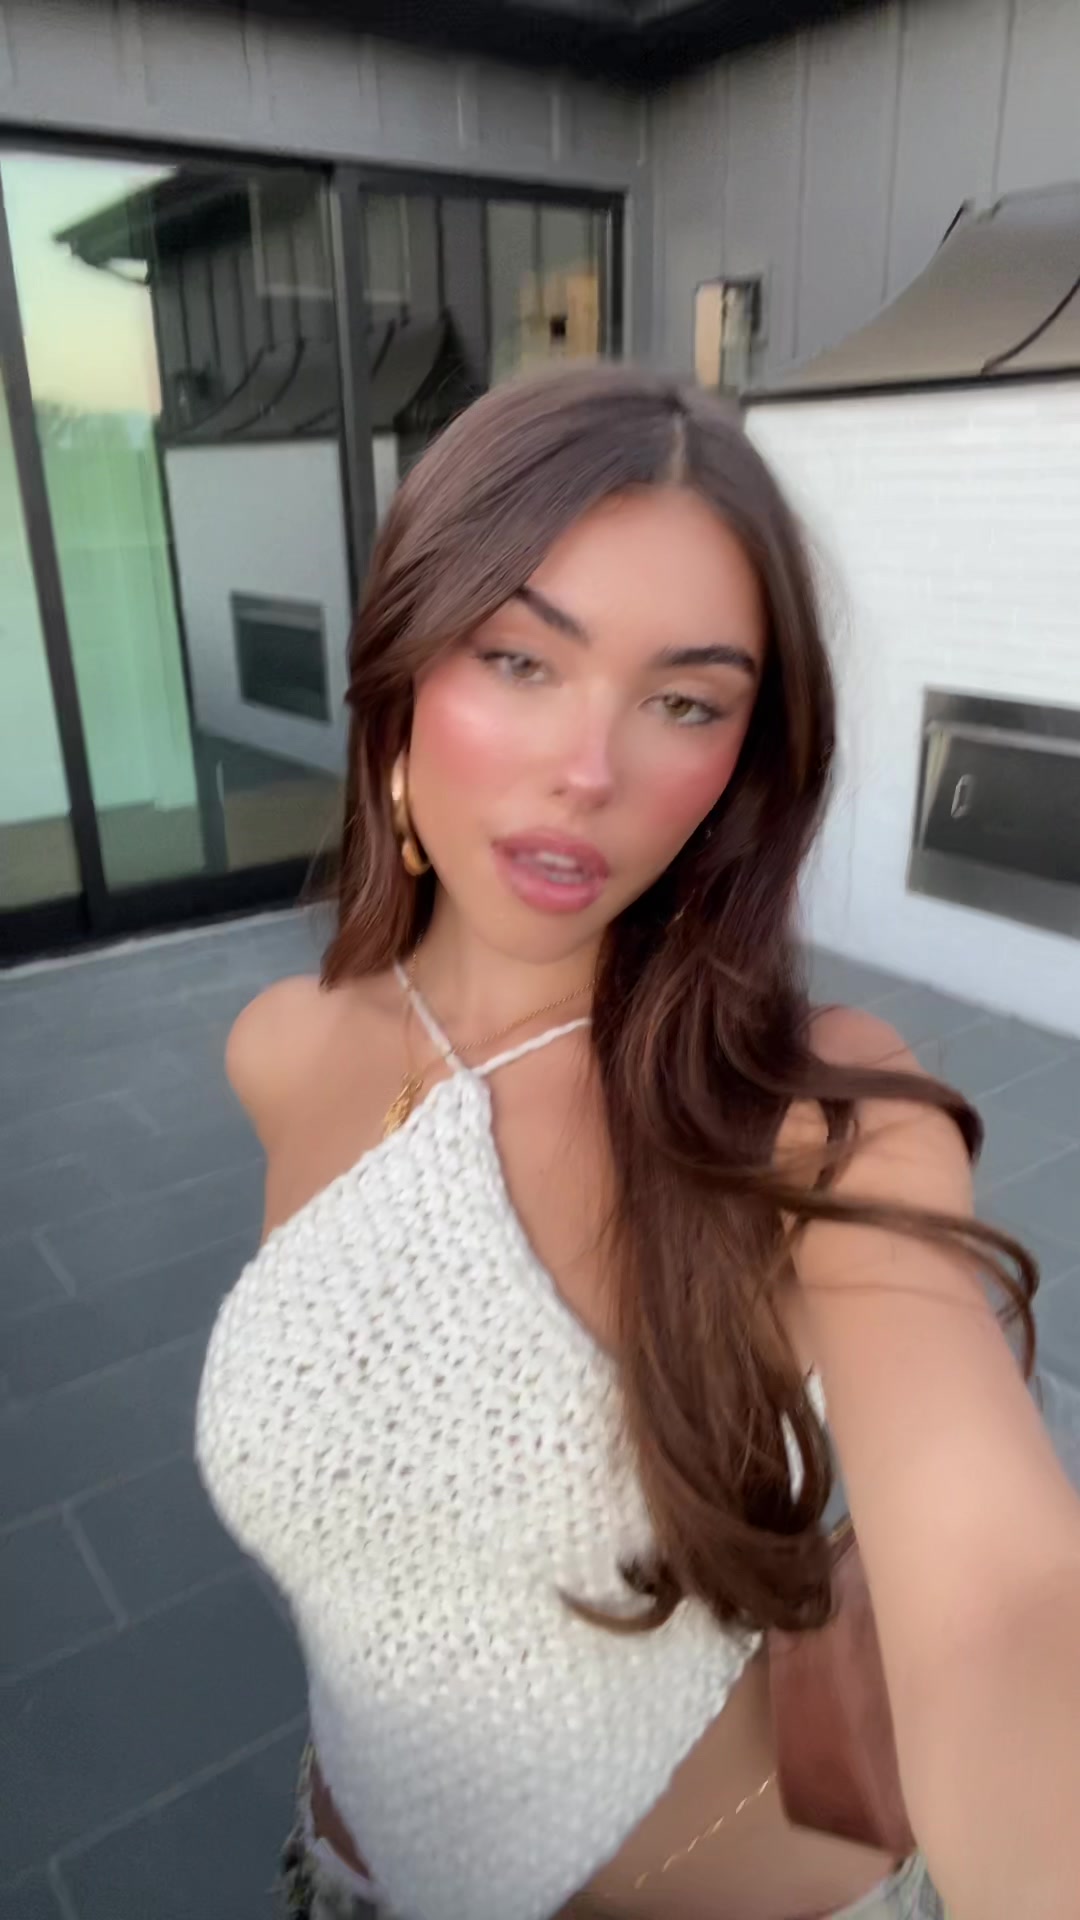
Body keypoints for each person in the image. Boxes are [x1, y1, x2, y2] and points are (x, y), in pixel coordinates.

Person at [196, 365, 1080, 1920]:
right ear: (401, 669)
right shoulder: (284, 1048)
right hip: (332, 1876)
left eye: (686, 701)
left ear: (745, 757)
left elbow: (1005, 1608)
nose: (590, 770)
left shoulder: (812, 1122)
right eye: (519, 658)